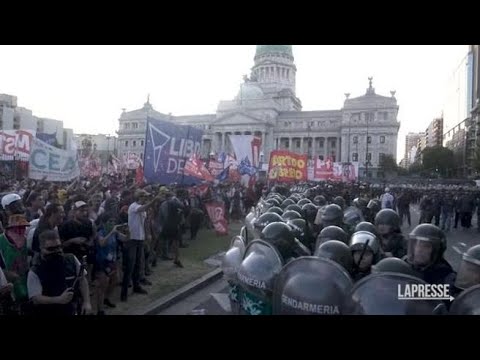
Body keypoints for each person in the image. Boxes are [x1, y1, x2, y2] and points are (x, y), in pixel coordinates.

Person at [27, 230, 92, 315]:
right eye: (51, 249)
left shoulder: (71, 259)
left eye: (58, 247)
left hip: (73, 309)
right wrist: (59, 299)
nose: (56, 251)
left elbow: (82, 280)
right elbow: (35, 298)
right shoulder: (35, 271)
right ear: (41, 248)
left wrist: (87, 302)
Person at [121, 189, 160, 302]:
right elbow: (142, 208)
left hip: (139, 239)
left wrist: (146, 235)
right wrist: (153, 201)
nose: (146, 198)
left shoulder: (142, 209)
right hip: (132, 240)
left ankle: (136, 286)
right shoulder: (133, 206)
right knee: (130, 266)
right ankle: (123, 293)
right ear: (139, 197)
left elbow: (144, 221)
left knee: (138, 264)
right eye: (144, 197)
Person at [94, 213, 127, 315]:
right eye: (110, 221)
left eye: (114, 222)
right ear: (104, 223)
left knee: (115, 280)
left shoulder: (115, 233)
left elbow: (126, 239)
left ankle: (106, 298)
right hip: (101, 262)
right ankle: (100, 309)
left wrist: (128, 231)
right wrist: (111, 232)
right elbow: (102, 243)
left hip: (112, 261)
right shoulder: (100, 232)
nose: (112, 223)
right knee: (103, 284)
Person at [0, 214, 31, 314]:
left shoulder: (24, 240)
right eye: (18, 228)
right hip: (7, 286)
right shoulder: (1, 241)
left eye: (23, 228)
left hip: (24, 281)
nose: (21, 231)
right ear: (9, 229)